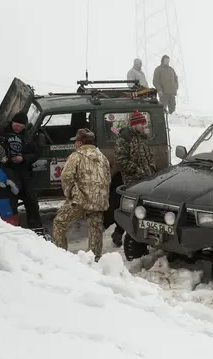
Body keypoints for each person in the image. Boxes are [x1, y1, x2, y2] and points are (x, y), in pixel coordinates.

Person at [0, 111, 47, 237]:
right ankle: (8, 229)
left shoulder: (27, 135)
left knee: (30, 199)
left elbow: (35, 153)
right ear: (12, 122)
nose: (18, 128)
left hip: (22, 171)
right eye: (16, 124)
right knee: (9, 199)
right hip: (3, 170)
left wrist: (24, 158)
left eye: (21, 126)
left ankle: (36, 228)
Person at [53, 129, 111, 261]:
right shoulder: (103, 157)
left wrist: (71, 195)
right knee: (95, 230)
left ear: (79, 142)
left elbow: (66, 177)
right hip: (99, 200)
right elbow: (108, 178)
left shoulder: (76, 156)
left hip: (80, 199)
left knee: (59, 223)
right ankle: (94, 259)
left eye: (76, 141)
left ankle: (60, 257)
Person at [110, 110, 156, 246]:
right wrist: (138, 171)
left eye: (145, 124)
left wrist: (152, 169)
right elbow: (121, 161)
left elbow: (150, 157)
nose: (144, 126)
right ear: (134, 124)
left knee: (143, 210)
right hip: (133, 182)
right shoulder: (124, 139)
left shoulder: (142, 138)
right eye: (142, 123)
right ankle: (119, 234)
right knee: (130, 211)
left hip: (147, 180)